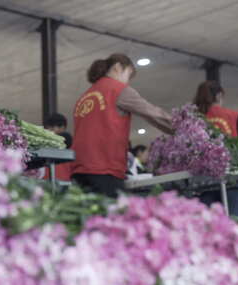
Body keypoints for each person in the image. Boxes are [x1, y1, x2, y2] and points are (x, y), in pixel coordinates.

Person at [71, 53, 173, 198]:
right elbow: (153, 114)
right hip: (105, 169)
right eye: (128, 75)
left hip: (79, 170)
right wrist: (184, 129)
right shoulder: (117, 90)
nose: (128, 82)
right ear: (118, 68)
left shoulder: (84, 97)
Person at [193, 80, 238, 217]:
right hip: (232, 182)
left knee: (204, 229)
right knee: (234, 228)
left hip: (203, 184)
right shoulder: (234, 116)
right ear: (219, 95)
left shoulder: (193, 119)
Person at [43, 113, 73, 181]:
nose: (55, 129)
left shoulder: (70, 145)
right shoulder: (42, 145)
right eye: (50, 127)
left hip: (66, 183)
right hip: (45, 183)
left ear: (63, 128)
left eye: (59, 126)